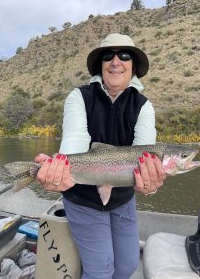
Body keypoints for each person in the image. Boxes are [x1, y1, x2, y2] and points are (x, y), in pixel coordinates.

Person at [35, 33, 166, 279]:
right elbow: (73, 144)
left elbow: (144, 155)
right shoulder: (79, 97)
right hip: (81, 197)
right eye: (109, 56)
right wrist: (60, 171)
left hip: (123, 199)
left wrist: (149, 185)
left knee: (127, 266)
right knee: (101, 271)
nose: (116, 61)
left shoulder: (143, 106)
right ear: (101, 65)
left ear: (133, 65)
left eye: (124, 55)